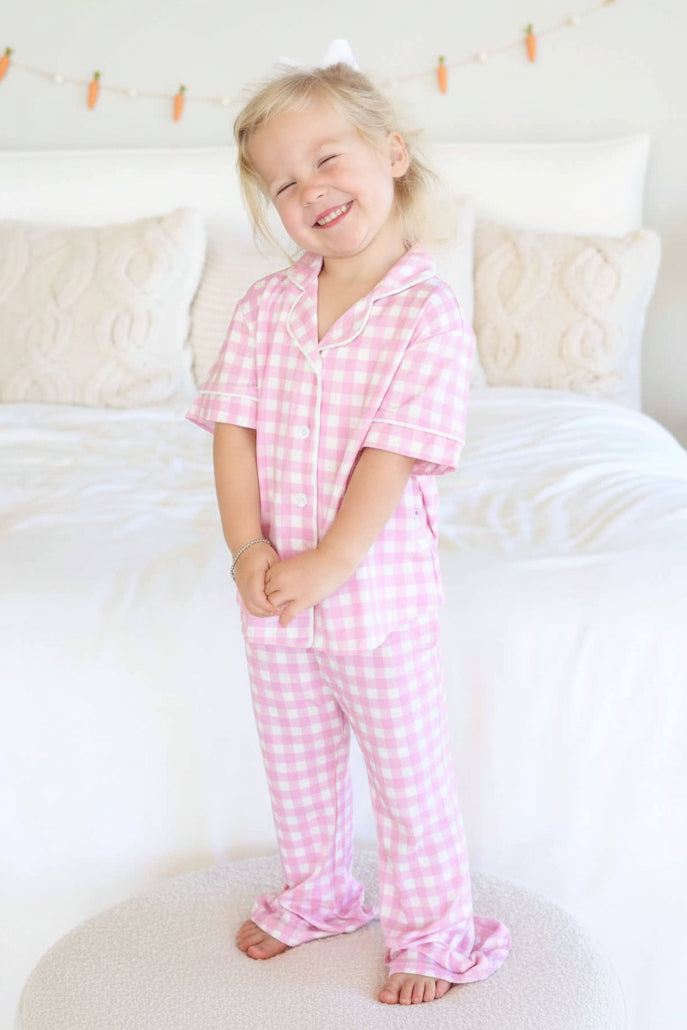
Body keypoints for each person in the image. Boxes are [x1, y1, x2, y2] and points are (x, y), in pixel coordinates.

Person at [186, 51, 510, 1006]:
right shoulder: (265, 306)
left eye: (328, 160)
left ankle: (430, 931)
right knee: (297, 769)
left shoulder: (427, 313)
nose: (310, 191)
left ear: (392, 154)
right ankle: (319, 893)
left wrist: (332, 558)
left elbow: (393, 453)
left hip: (376, 595)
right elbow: (233, 431)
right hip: (279, 595)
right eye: (283, 183)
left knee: (407, 779)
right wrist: (249, 547)